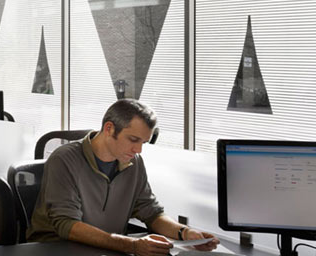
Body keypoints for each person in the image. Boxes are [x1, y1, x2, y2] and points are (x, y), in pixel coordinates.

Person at [29, 99, 218, 255]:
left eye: (144, 142)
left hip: (108, 248)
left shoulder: (134, 163)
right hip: (56, 249)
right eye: (133, 140)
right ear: (109, 128)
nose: (139, 149)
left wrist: (185, 233)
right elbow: (67, 225)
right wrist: (133, 245)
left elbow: (151, 212)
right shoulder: (64, 159)